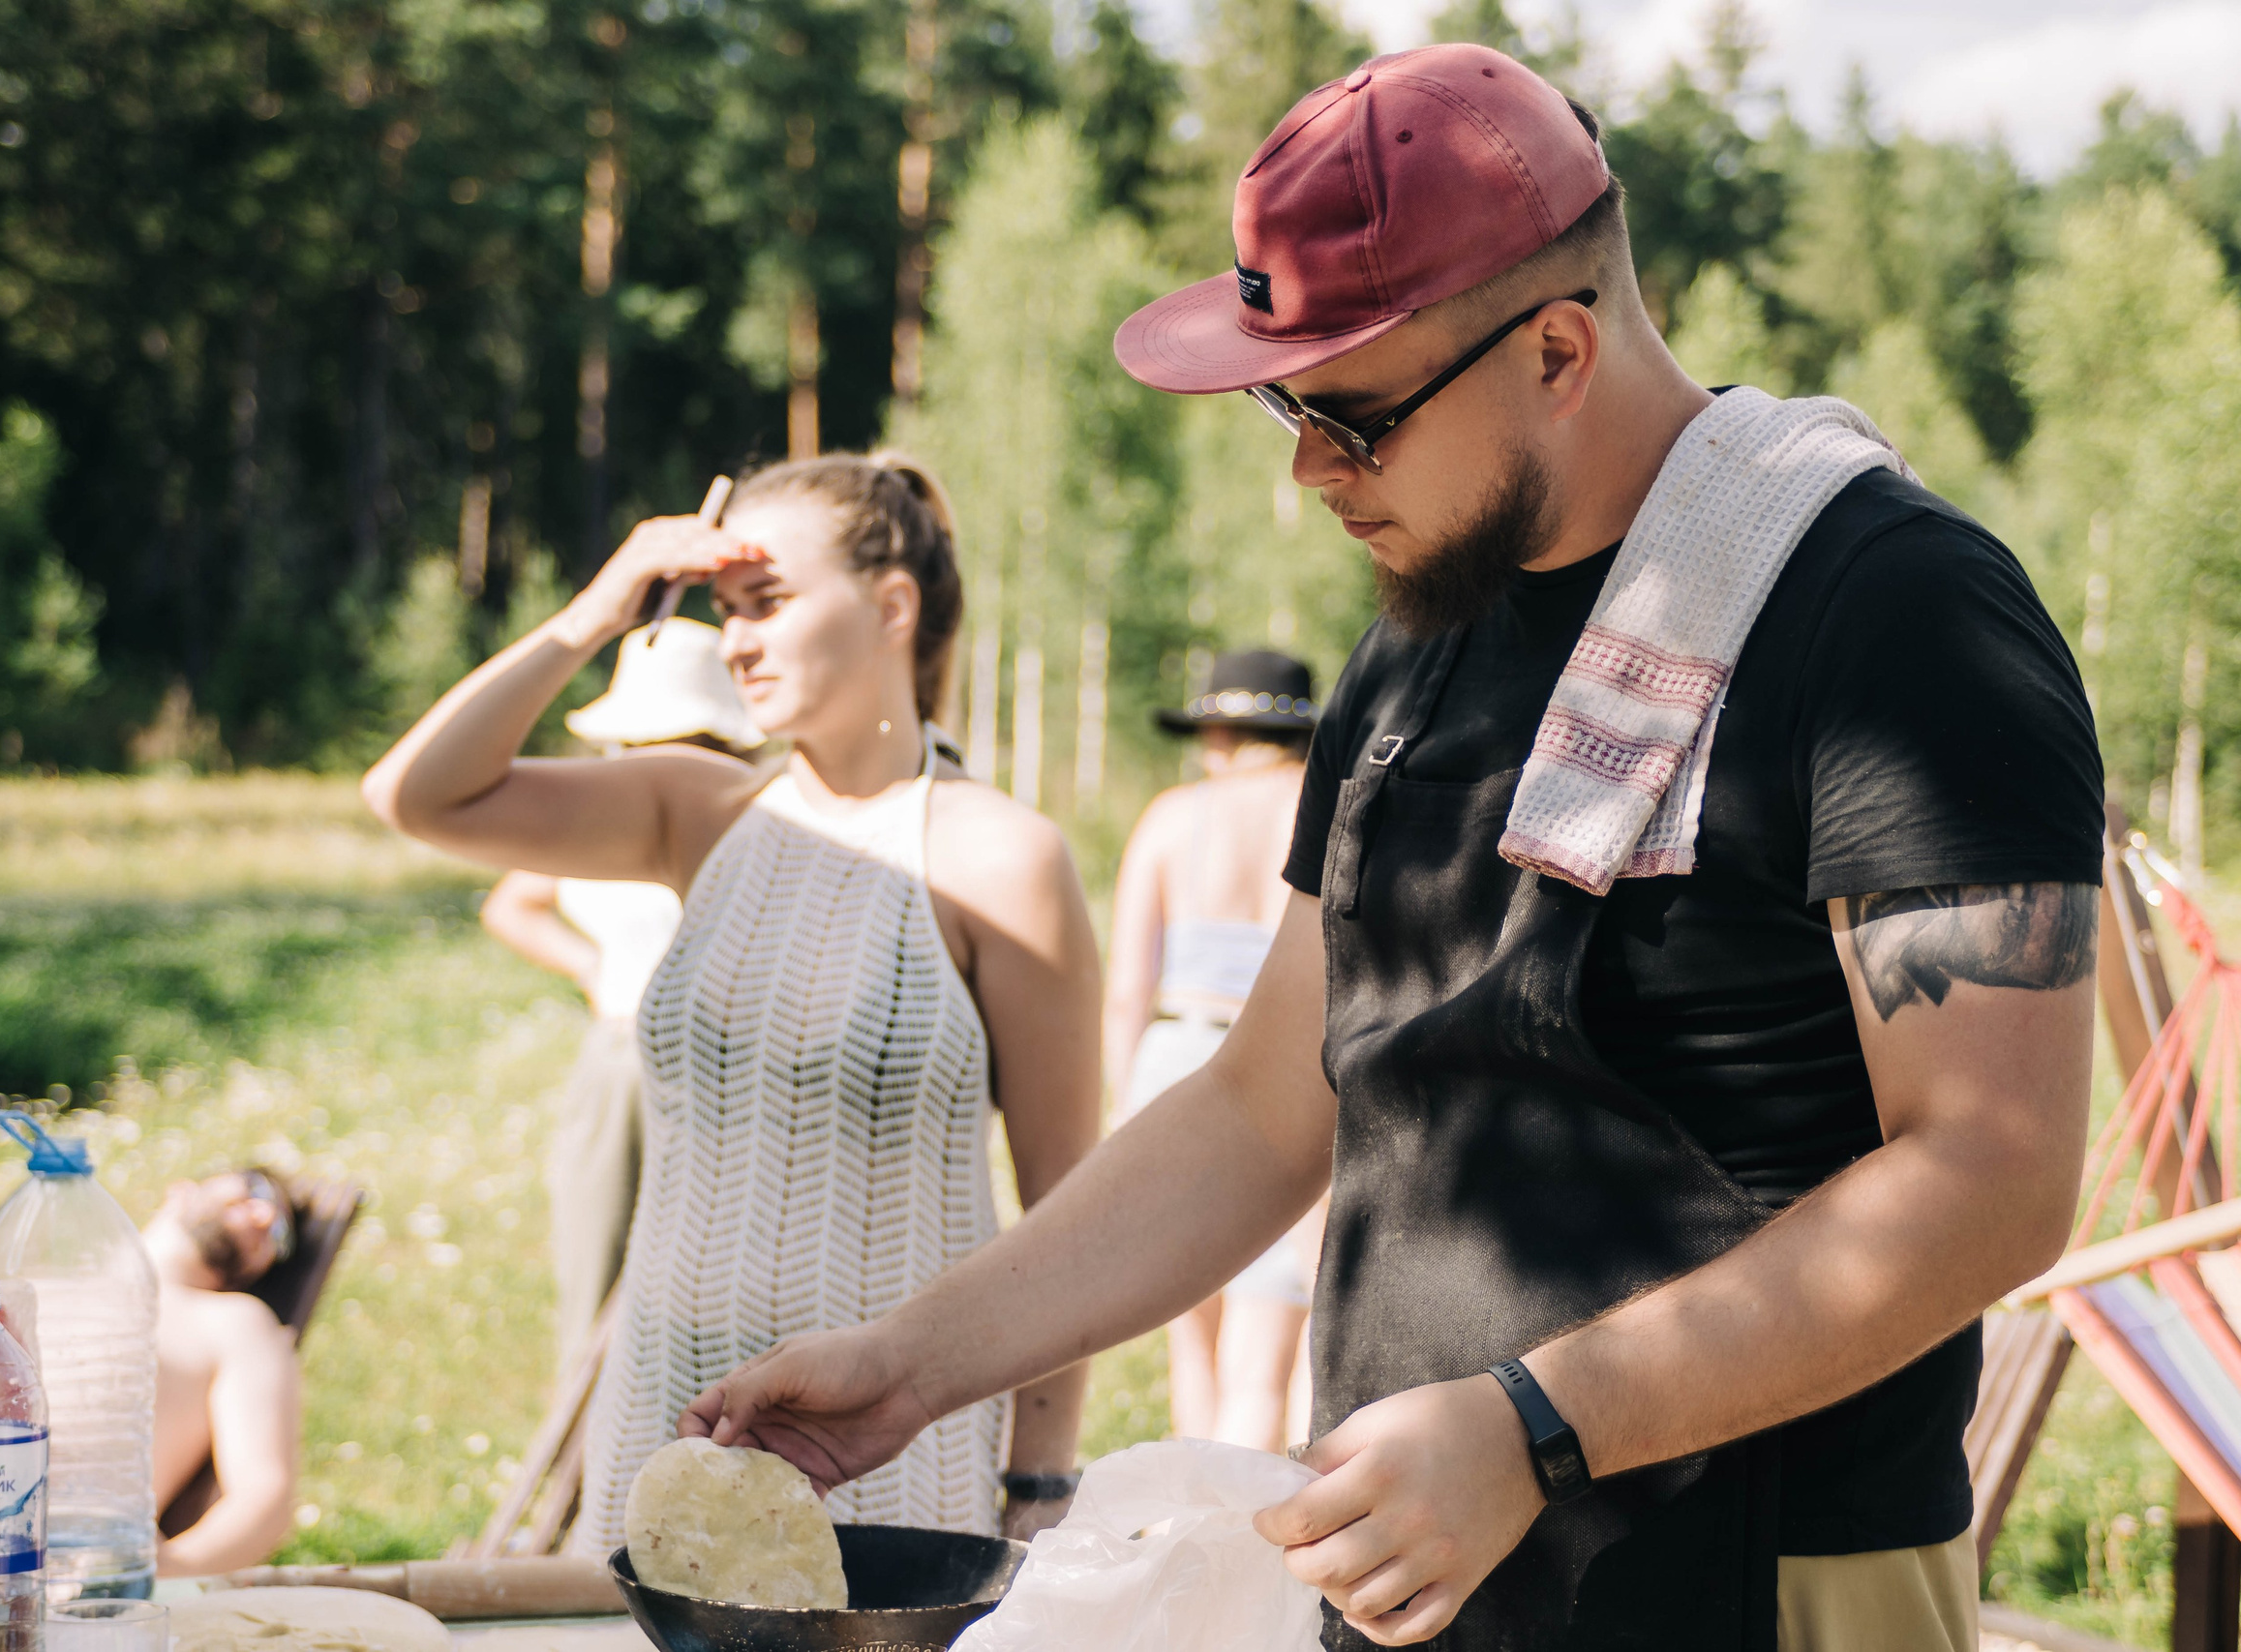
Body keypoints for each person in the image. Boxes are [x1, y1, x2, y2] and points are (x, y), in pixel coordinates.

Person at [681, 45, 2105, 1652]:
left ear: (1560, 347)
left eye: (1352, 416)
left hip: (1762, 1583)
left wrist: (1534, 1425)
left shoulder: (1898, 619)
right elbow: (1262, 1101)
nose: (1305, 472)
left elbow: (1993, 1175)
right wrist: (920, 1358)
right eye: (1287, 406)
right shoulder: (1426, 623)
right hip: (1421, 1554)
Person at [361, 452, 1102, 1547]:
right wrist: (598, 612)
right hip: (669, 1421)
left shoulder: (1003, 858)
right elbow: (417, 797)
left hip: (885, 1448)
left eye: (768, 603)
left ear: (891, 605)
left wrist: (1035, 1484)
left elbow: (1069, 1216)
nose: (737, 640)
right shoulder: (694, 812)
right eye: (722, 611)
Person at [478, 616, 764, 1378]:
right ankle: (585, 1468)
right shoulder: (599, 808)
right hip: (624, 1051)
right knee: (597, 1262)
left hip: (737, 1061)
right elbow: (510, 902)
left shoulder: (755, 811)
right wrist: (594, 968)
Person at [1105, 649, 1323, 1451]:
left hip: (1174, 1059)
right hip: (1279, 1067)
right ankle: (1259, 1542)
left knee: (1186, 1330)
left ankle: (1186, 1531)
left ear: (1223, 733)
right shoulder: (1318, 810)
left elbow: (1130, 983)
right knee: (1267, 1352)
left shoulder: (1172, 816)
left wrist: (1125, 1101)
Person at [145, 1168, 302, 1577]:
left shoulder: (235, 1324)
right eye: (256, 1190)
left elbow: (264, 1498)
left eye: (280, 1236)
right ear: (182, 1189)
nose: (265, 1218)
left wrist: (150, 1578)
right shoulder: (46, 1271)